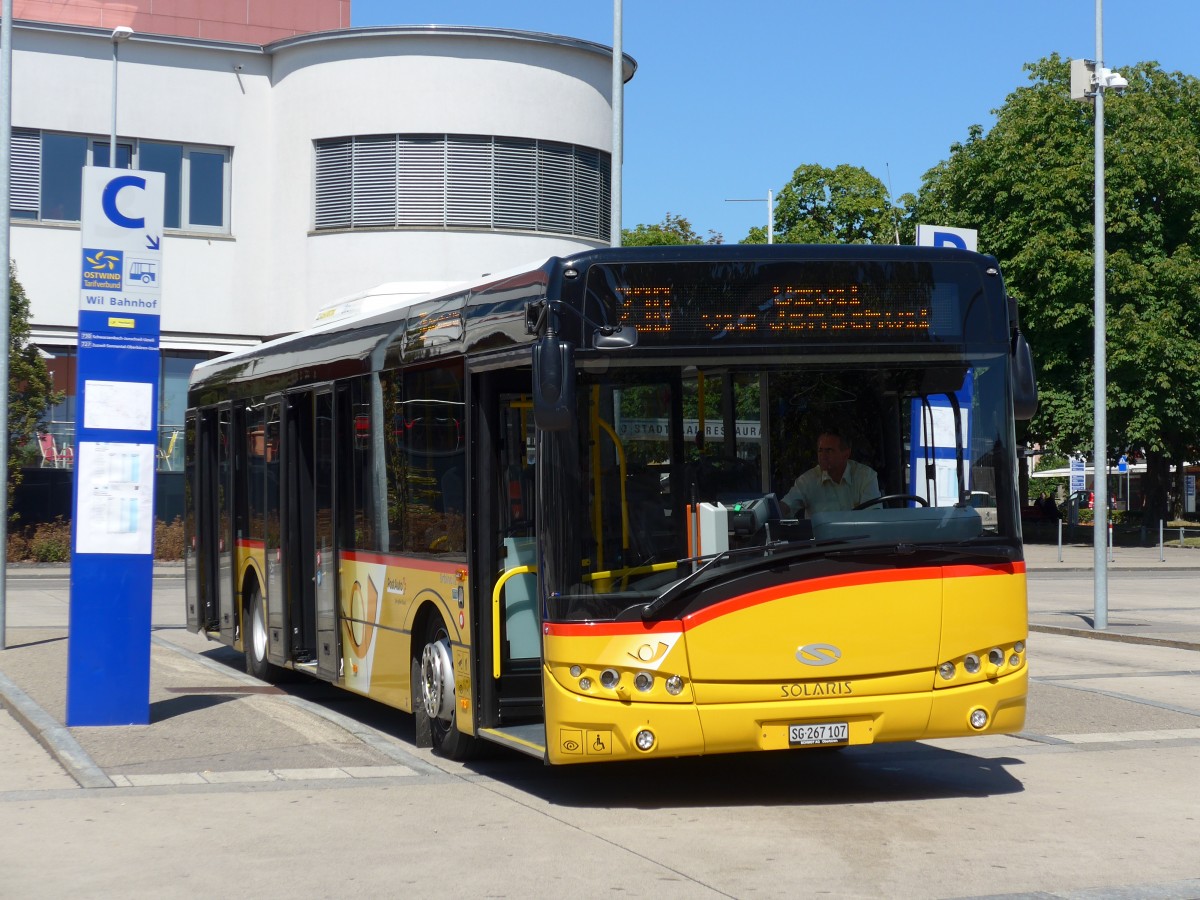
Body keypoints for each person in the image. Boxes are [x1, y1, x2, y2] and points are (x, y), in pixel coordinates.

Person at [780, 428, 880, 516]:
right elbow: (786, 505)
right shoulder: (807, 481)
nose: (823, 456)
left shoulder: (865, 476)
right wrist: (773, 511)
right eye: (820, 450)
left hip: (859, 537)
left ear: (846, 454)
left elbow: (873, 518)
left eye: (829, 451)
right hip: (822, 538)